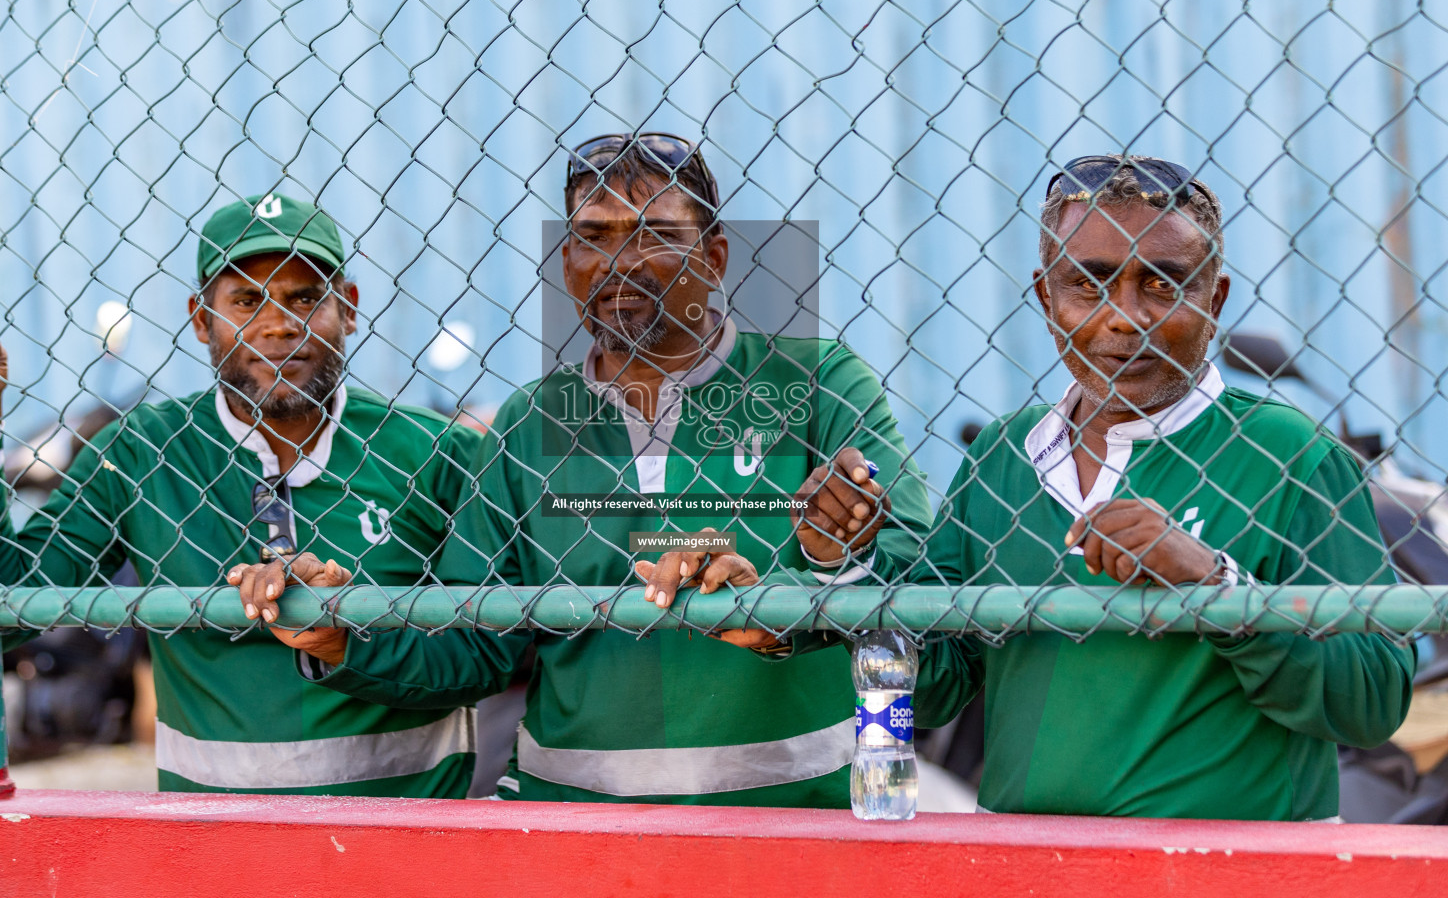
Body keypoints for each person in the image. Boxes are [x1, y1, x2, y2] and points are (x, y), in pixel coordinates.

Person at [239, 133, 933, 806]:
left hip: (791, 816)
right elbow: (473, 644)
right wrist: (341, 640)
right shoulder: (528, 425)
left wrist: (786, 602)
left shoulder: (813, 382)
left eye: (655, 233)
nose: (619, 263)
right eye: (592, 238)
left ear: (715, 257)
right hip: (572, 827)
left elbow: (912, 564)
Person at [822, 154, 1416, 819]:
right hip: (1026, 864)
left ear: (1214, 300)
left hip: (1230, 866)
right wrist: (847, 562)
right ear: (1047, 297)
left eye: (1163, 284)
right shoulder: (1002, 459)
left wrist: (1219, 590)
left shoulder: (1291, 454)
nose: (1125, 316)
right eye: (1090, 284)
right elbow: (933, 690)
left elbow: (1373, 702)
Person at [0, 193, 482, 797]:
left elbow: (487, 654)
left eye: (305, 297)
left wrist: (344, 643)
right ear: (199, 318)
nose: (278, 322)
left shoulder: (432, 450)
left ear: (347, 307)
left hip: (409, 839)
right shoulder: (140, 451)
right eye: (245, 300)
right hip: (210, 846)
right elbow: (1, 613)